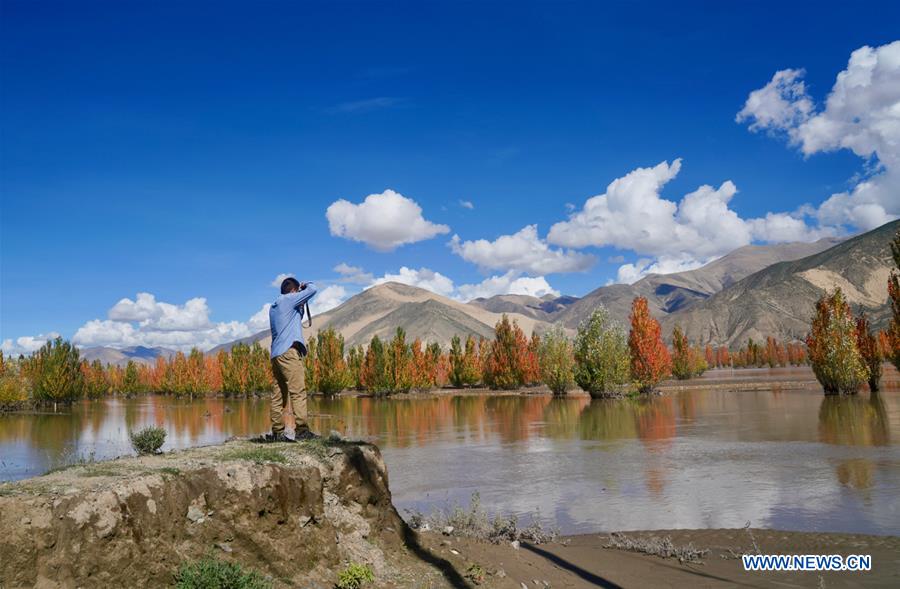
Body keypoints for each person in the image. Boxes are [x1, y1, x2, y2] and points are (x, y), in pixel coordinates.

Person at [268, 276, 317, 442]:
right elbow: (313, 289)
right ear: (294, 291)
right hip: (289, 352)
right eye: (297, 292)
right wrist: (306, 285)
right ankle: (302, 430)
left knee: (278, 395)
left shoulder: (275, 306)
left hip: (276, 355)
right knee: (298, 391)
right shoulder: (290, 299)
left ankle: (277, 432)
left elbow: (294, 319)